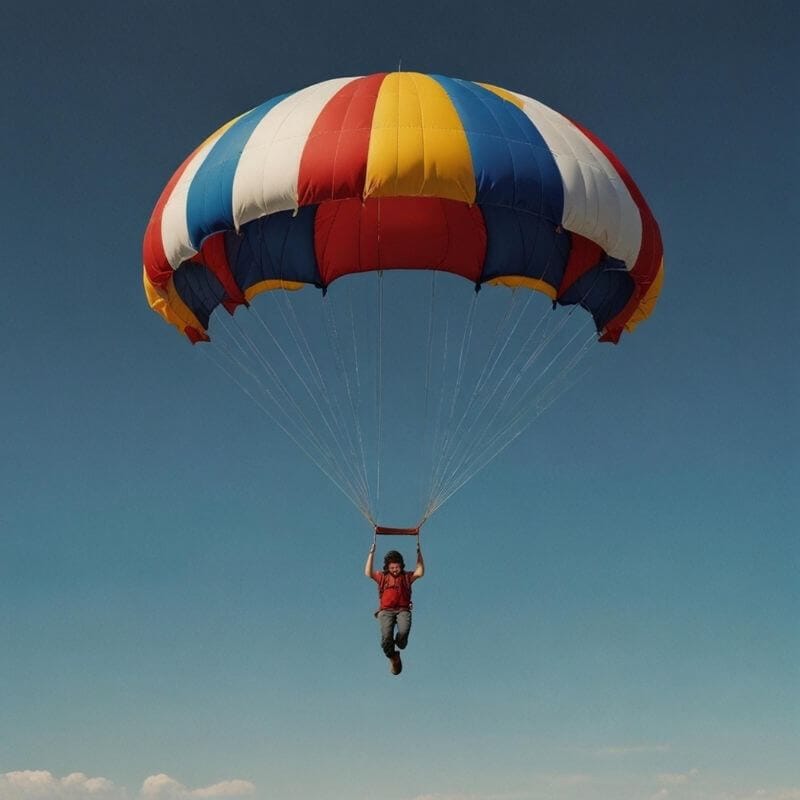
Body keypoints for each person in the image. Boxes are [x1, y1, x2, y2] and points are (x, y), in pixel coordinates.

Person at [364, 541, 425, 675]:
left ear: (401, 566)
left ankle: (400, 643)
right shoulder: (383, 577)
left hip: (403, 610)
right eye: (392, 568)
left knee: (403, 633)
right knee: (386, 638)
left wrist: (419, 553)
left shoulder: (406, 577)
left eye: (397, 567)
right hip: (386, 611)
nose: (395, 570)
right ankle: (393, 657)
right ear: (387, 567)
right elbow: (368, 572)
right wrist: (371, 552)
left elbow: (420, 572)